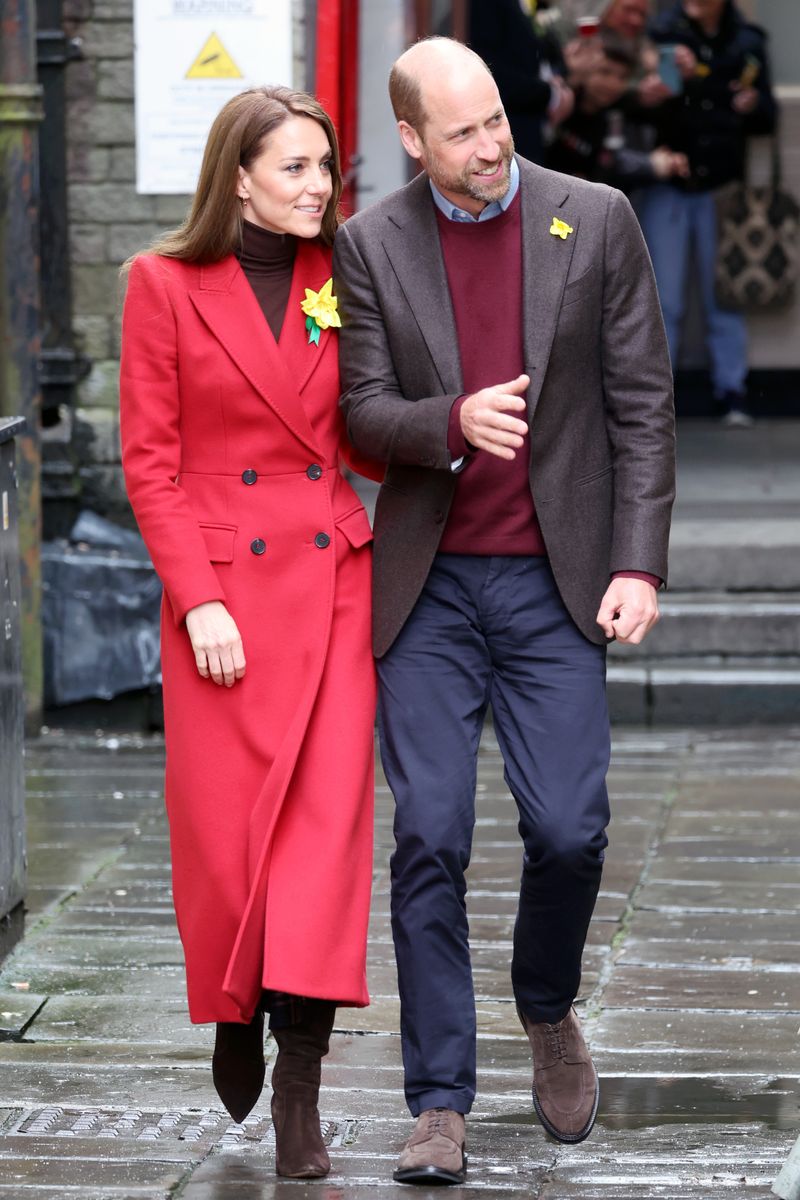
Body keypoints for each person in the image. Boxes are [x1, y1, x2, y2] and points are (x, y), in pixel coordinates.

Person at [333, 35, 675, 1187]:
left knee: (569, 829)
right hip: (427, 589)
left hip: (553, 578)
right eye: (462, 131)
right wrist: (447, 422)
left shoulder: (596, 217)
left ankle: (545, 1005)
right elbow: (363, 414)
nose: (489, 146)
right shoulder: (370, 244)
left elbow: (641, 405)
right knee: (427, 832)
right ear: (413, 141)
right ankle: (438, 1100)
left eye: (494, 121)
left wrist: (638, 564)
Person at [119, 86, 379, 1179]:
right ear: (237, 178)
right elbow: (150, 460)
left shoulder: (346, 278)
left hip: (330, 586)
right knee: (231, 846)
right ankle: (237, 1002)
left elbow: (376, 413)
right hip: (223, 604)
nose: (318, 187)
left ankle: (300, 1089)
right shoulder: (160, 284)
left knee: (323, 847)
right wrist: (200, 596)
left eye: (325, 167)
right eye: (294, 168)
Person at [639, 0, 777, 425]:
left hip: (722, 186)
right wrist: (664, 80)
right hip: (671, 182)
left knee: (725, 297)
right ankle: (658, 400)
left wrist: (753, 105)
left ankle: (732, 391)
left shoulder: (748, 42)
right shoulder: (663, 34)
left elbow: (767, 117)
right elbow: (646, 105)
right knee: (665, 299)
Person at [547, 33, 689, 190]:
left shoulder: (619, 109)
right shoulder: (556, 104)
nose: (613, 84)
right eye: (605, 72)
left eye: (622, 77)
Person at [468, 0, 574, 165]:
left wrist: (558, 81)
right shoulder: (485, 5)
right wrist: (550, 95)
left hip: (530, 135)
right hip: (505, 136)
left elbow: (541, 52)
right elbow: (487, 71)